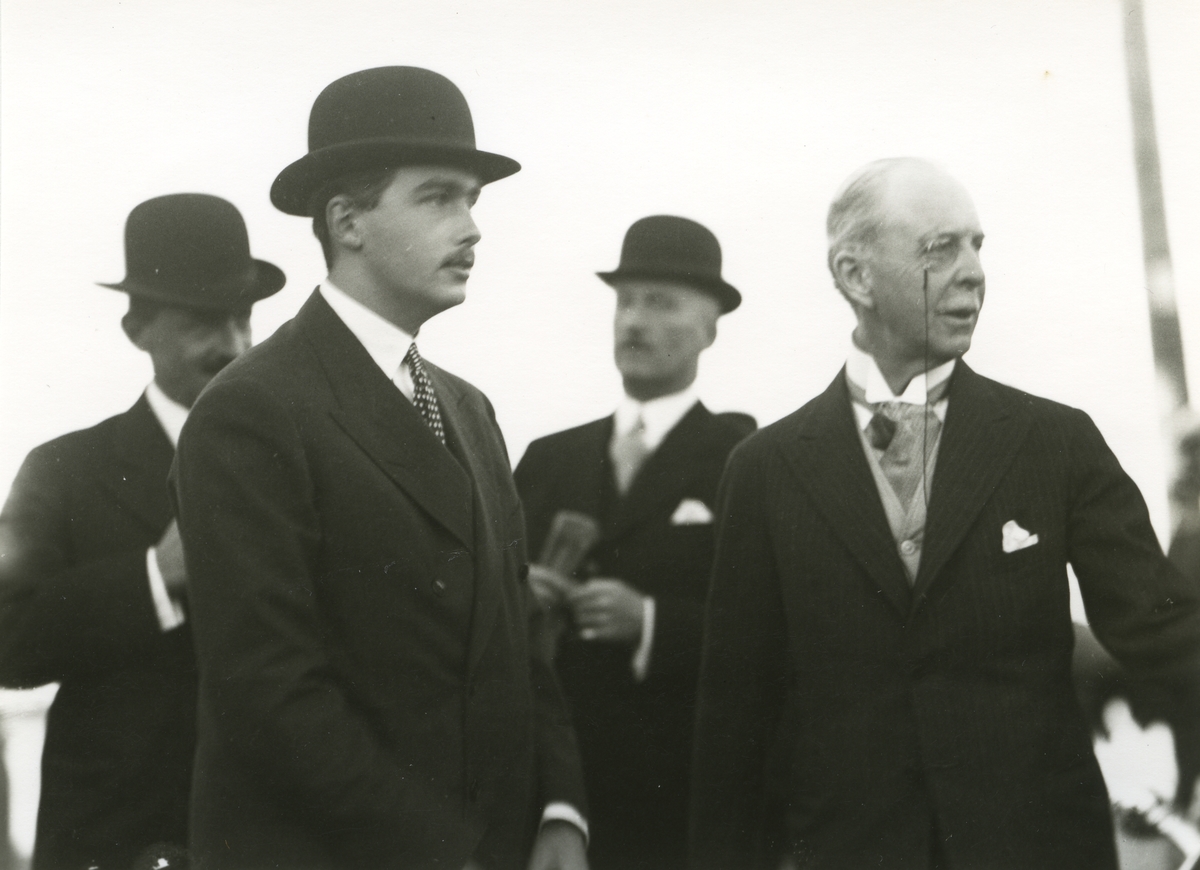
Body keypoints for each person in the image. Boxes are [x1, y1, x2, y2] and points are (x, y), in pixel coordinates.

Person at [689, 157, 1200, 870]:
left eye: (977, 246)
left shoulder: (1055, 441)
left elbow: (1168, 630)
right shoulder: (765, 470)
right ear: (856, 275)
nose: (974, 273)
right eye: (940, 248)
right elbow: (734, 715)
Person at [171, 66, 588, 870]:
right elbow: (271, 698)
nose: (472, 228)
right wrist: (447, 852)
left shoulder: (470, 410)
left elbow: (519, 645)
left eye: (473, 200)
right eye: (438, 198)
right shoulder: (250, 411)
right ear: (347, 220)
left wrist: (561, 811)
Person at [0, 193, 284, 870]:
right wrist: (155, 577)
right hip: (118, 841)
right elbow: (7, 641)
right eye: (204, 323)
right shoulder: (63, 469)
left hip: (276, 834)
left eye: (242, 318)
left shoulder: (294, 462)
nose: (235, 346)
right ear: (137, 329)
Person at [514, 216, 753, 870]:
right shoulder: (547, 459)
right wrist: (520, 595)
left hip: (679, 809)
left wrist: (650, 622)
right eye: (624, 302)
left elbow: (769, 634)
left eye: (661, 303)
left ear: (711, 327)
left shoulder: (745, 461)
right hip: (551, 803)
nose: (635, 322)